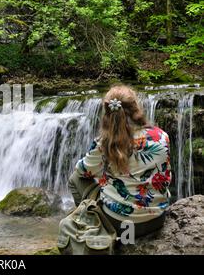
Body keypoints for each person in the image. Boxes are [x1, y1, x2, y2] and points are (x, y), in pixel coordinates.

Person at [68, 84, 171, 238]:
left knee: (75, 179)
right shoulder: (161, 136)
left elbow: (82, 170)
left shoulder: (105, 143)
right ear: (136, 108)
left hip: (118, 223)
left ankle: (94, 225)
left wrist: (104, 172)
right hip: (156, 220)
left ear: (107, 113)